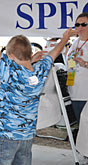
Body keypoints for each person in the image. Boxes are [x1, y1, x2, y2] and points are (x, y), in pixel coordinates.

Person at [0, 20, 77, 165]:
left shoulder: (10, 70)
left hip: (5, 136)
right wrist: (65, 38)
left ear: (10, 56)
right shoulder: (41, 70)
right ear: (30, 54)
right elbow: (53, 54)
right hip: (27, 138)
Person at [66, 12, 88, 164]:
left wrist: (85, 63)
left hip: (86, 92)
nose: (79, 27)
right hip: (74, 92)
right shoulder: (74, 43)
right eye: (77, 24)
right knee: (81, 127)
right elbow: (69, 63)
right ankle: (85, 154)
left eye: (83, 24)